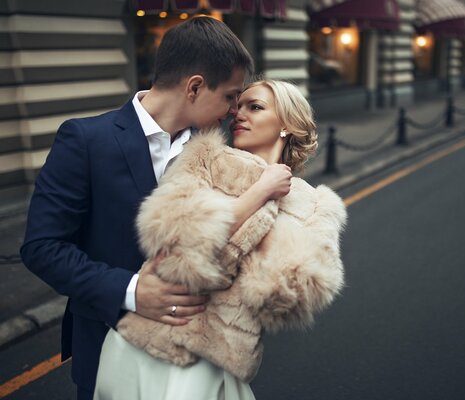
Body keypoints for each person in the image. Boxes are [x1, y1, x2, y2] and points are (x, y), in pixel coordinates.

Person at [20, 17, 293, 400]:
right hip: (108, 348)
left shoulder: (219, 149)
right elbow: (42, 247)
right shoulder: (85, 140)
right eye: (231, 96)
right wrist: (131, 290)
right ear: (195, 86)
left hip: (196, 367)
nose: (234, 110)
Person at [93, 80, 347, 399]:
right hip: (144, 343)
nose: (238, 113)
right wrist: (259, 193)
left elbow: (286, 296)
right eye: (237, 105)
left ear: (287, 125)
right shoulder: (204, 158)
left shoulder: (316, 205)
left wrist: (214, 244)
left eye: (254, 107)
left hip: (213, 364)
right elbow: (174, 252)